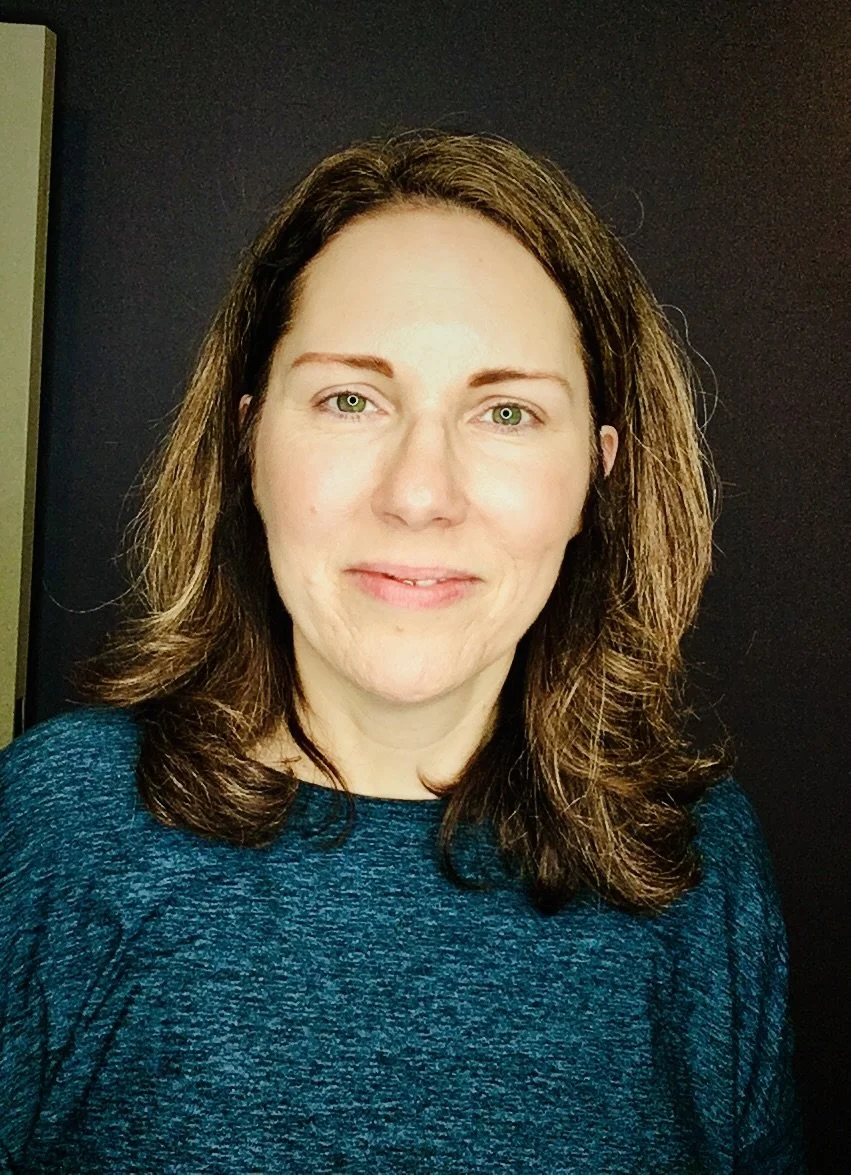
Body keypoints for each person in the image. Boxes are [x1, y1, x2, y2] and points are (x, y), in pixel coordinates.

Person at [0, 129, 806, 1172]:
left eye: (506, 411)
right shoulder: (55, 830)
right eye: (350, 399)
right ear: (248, 439)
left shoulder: (697, 865)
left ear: (596, 474)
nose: (419, 493)